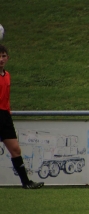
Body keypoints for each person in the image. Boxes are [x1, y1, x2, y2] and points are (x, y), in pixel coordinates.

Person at [0, 44, 44, 189]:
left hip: (4, 116)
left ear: (8, 58)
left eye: (3, 56)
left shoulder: (7, 75)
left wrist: (8, 112)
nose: (1, 59)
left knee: (15, 150)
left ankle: (26, 183)